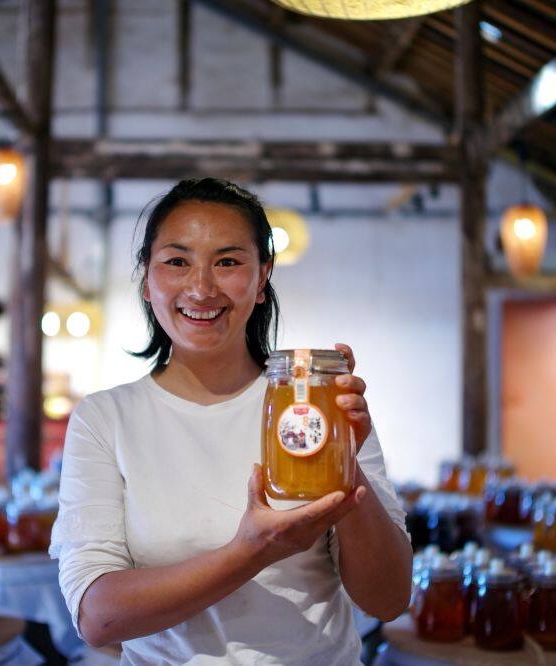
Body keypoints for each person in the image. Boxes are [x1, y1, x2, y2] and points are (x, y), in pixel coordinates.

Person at [49, 178, 412, 664]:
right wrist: (251, 551)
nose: (201, 288)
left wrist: (345, 463)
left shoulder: (315, 405)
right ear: (146, 279)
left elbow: (388, 599)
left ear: (262, 279)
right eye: (177, 261)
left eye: (228, 262)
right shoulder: (105, 418)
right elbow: (97, 618)